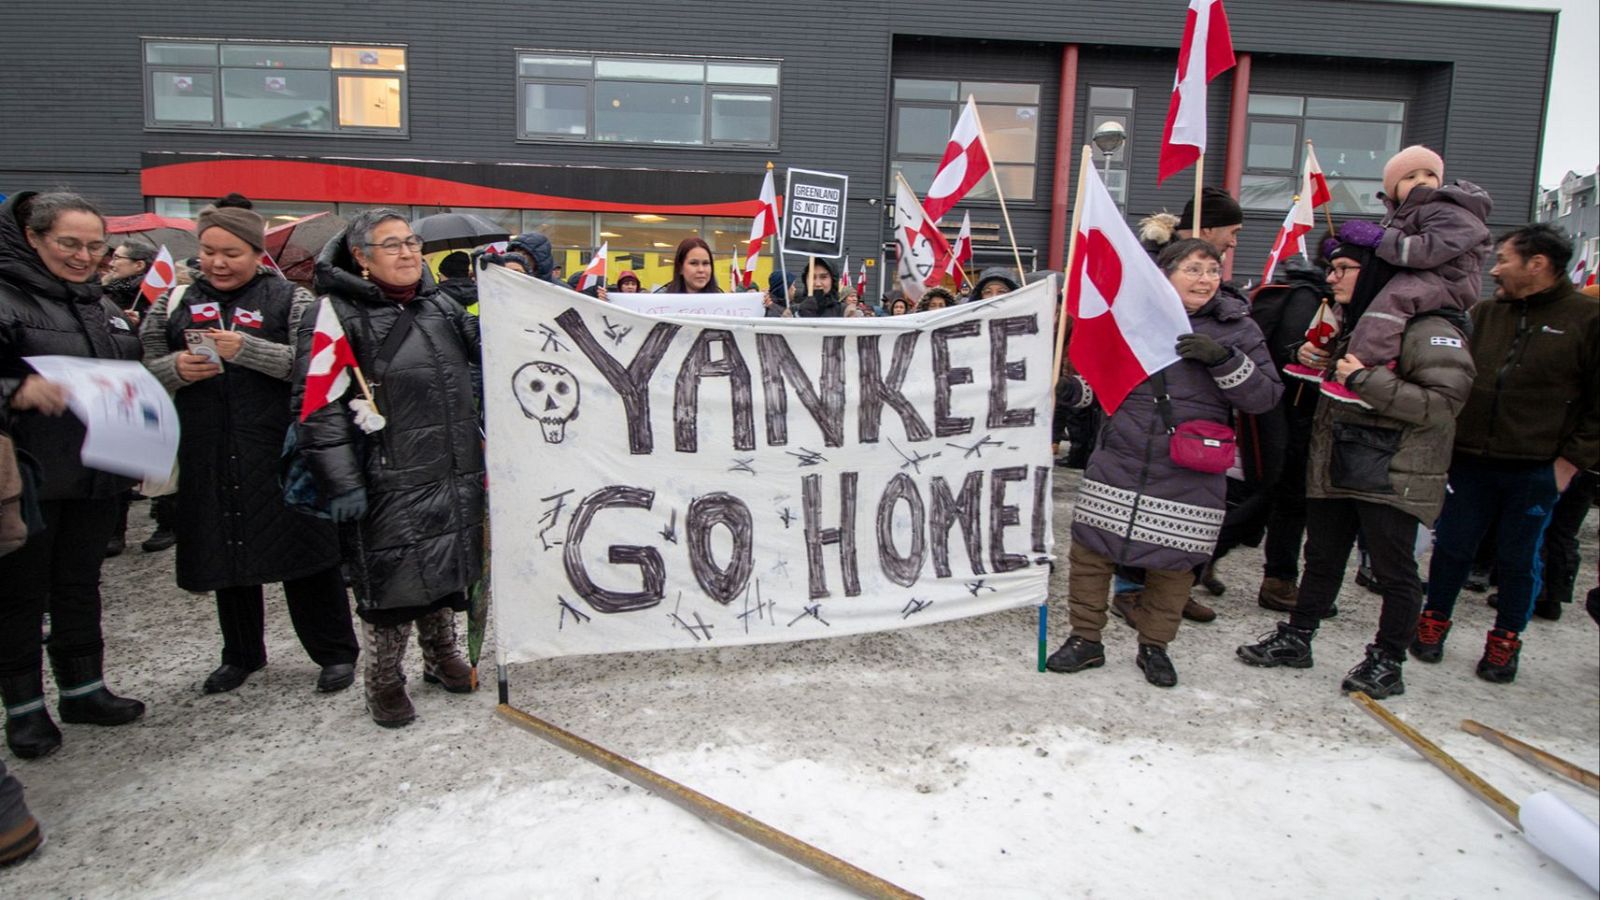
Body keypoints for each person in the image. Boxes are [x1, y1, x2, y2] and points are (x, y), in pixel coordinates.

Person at [1236, 228, 1475, 699]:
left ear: (1377, 274)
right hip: (1338, 461)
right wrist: (1309, 357)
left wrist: (1362, 377)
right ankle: (1297, 638)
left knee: (1394, 573)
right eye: (1331, 268)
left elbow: (1443, 403)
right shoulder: (1354, 322)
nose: (1332, 277)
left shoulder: (1428, 328)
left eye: (1344, 269)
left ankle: (1387, 660)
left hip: (1393, 471)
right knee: (1321, 558)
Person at [141, 205, 360, 695]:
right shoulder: (172, 302)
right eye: (209, 251)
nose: (219, 262)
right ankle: (240, 653)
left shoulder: (291, 299)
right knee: (228, 556)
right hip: (208, 449)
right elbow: (144, 369)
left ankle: (334, 653)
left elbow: (317, 367)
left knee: (308, 556)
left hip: (280, 449)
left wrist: (247, 351)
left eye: (232, 253)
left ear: (256, 253)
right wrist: (175, 368)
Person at [1046, 239, 1281, 687]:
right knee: (1092, 552)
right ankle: (1085, 640)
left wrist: (1223, 360)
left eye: (1213, 270)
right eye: (1193, 269)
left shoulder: (1238, 329)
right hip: (1122, 454)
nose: (1205, 279)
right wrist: (1075, 393)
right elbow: (1106, 386)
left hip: (1190, 465)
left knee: (1174, 564)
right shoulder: (1134, 321)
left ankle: (1155, 646)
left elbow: (1265, 396)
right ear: (1165, 274)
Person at [294, 210, 484, 727]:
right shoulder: (333, 314)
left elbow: (488, 348)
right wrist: (339, 480)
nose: (407, 254)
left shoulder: (440, 303)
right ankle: (383, 680)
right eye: (392, 245)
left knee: (445, 569)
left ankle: (441, 656)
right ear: (360, 256)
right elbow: (317, 408)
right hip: (387, 474)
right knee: (392, 584)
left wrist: (514, 303)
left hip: (451, 465)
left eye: (411, 243)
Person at [1410, 224, 1598, 682]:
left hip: (1536, 467)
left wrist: (1568, 463)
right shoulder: (1486, 313)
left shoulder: (1587, 319)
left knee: (1518, 559)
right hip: (1471, 460)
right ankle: (1434, 620)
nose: (1495, 269)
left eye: (1504, 260)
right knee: (1452, 548)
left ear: (1537, 265)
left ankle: (1505, 639)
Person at [0, 191, 145, 759]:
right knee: (18, 595)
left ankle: (84, 689)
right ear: (32, 238)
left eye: (95, 246)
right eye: (70, 244)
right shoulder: (6, 298)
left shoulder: (99, 303)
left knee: (80, 585)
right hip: (28, 475)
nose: (84, 256)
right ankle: (24, 710)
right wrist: (16, 389)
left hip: (96, 467)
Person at [1320, 146, 1491, 406]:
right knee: (1358, 294)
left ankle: (1369, 366)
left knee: (1393, 298)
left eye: (1429, 175)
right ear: (1393, 188)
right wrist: (1347, 249)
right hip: (1419, 276)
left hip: (1448, 280)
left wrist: (1378, 238)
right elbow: (1386, 253)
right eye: (1410, 177)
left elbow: (1426, 251)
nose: (1421, 181)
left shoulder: (1451, 210)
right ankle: (1323, 348)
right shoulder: (1399, 216)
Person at [1247, 248, 1335, 613]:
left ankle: (1201, 566)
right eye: (1338, 268)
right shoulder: (1308, 300)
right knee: (1280, 500)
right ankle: (1278, 580)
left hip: (1283, 416)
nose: (1337, 277)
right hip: (1292, 416)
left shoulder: (1294, 293)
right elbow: (1290, 357)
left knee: (1272, 498)